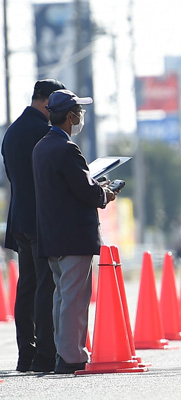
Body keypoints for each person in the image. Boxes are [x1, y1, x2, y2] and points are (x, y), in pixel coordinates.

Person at [32, 89, 118, 374]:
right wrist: (104, 193)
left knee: (61, 296)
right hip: (74, 235)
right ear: (70, 116)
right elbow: (86, 191)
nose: (80, 117)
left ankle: (64, 352)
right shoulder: (67, 148)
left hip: (52, 235)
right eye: (78, 112)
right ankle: (72, 356)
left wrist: (94, 187)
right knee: (74, 299)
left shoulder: (41, 146)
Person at [1, 79, 66, 372]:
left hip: (19, 218)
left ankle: (25, 352)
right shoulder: (44, 132)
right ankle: (46, 353)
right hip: (42, 218)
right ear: (48, 102)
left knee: (26, 285)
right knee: (45, 284)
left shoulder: (11, 131)